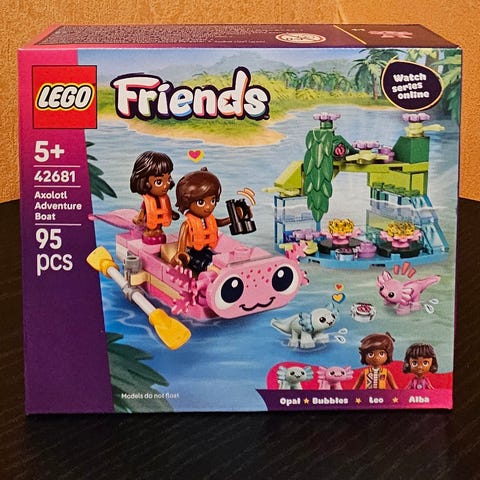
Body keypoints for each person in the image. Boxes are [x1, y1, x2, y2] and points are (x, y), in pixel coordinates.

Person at [172, 168, 232, 274]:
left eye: (212, 200)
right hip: (192, 253)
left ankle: (220, 270)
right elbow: (181, 245)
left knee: (215, 258)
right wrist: (180, 255)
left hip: (206, 250)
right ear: (187, 202)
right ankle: (212, 271)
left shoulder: (209, 219)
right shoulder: (187, 224)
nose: (208, 207)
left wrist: (232, 218)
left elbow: (219, 223)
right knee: (199, 263)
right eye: (201, 202)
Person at [129, 151, 179, 244]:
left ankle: (158, 230)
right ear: (144, 182)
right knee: (151, 227)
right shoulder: (147, 201)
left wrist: (172, 213)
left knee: (159, 229)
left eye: (168, 180)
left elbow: (167, 209)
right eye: (159, 182)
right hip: (150, 224)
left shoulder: (164, 199)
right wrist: (139, 217)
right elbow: (143, 210)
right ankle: (150, 231)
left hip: (159, 225)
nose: (165, 186)